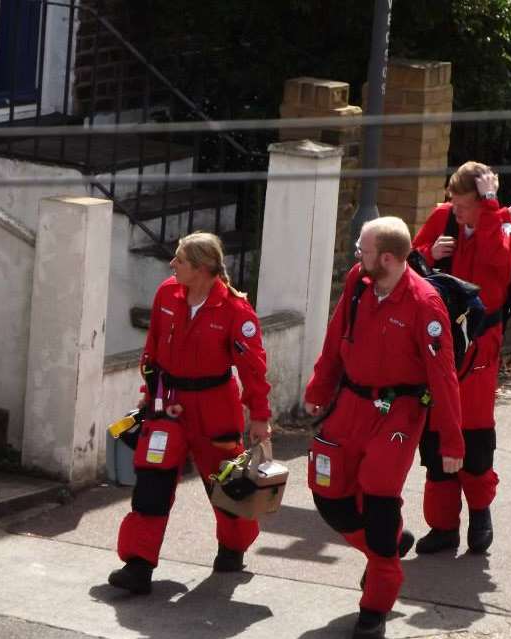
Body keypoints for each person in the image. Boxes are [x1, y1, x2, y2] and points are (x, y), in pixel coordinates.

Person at [305, 216, 464, 638]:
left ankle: (375, 603)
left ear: (389, 258)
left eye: (364, 249)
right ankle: (389, 546)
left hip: (399, 412)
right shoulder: (360, 281)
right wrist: (319, 386)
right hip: (351, 402)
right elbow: (337, 334)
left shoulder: (425, 306)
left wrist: (451, 441)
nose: (357, 254)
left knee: (378, 499)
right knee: (327, 491)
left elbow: (444, 377)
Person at [108, 231, 272, 595]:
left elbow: (253, 369)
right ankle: (138, 564)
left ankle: (234, 546)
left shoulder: (235, 311)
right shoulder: (167, 293)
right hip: (169, 405)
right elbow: (152, 348)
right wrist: (148, 395)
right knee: (152, 479)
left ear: (201, 268)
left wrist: (259, 416)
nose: (172, 265)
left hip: (215, 408)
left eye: (180, 260)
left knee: (227, 483)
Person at [410, 162, 511, 555]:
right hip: (438, 342)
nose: (454, 212)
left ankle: (480, 512)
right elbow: (408, 265)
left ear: (482, 202)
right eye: (452, 203)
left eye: (462, 206)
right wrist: (428, 251)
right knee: (435, 432)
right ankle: (442, 526)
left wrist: (493, 211)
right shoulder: (444, 219)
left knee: (474, 434)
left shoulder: (507, 226)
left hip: (479, 346)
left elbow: (498, 261)